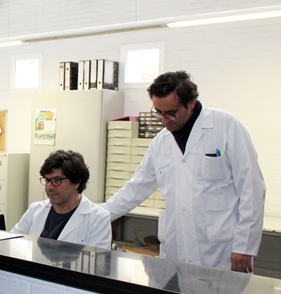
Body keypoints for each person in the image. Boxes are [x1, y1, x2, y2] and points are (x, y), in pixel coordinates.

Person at [102, 71, 265, 272]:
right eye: (158, 113)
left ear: (191, 103)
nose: (164, 120)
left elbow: (252, 188)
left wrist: (244, 245)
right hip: (175, 250)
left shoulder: (225, 126)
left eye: (170, 113)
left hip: (219, 250)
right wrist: (98, 215)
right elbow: (136, 188)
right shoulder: (161, 142)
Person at [12, 150, 111, 249]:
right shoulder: (35, 210)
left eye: (57, 180)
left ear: (76, 182)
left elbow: (98, 261)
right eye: (47, 180)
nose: (49, 187)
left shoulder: (98, 219)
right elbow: (11, 243)